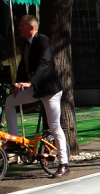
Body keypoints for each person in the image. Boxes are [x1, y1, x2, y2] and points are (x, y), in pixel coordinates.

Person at [6, 15, 69, 176]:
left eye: (21, 25)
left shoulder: (43, 41)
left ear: (31, 28)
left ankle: (64, 164)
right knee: (10, 101)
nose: (18, 28)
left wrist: (29, 83)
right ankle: (14, 140)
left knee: (54, 126)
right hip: (35, 89)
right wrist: (17, 85)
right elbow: (23, 66)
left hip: (49, 90)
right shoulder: (26, 44)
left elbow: (44, 64)